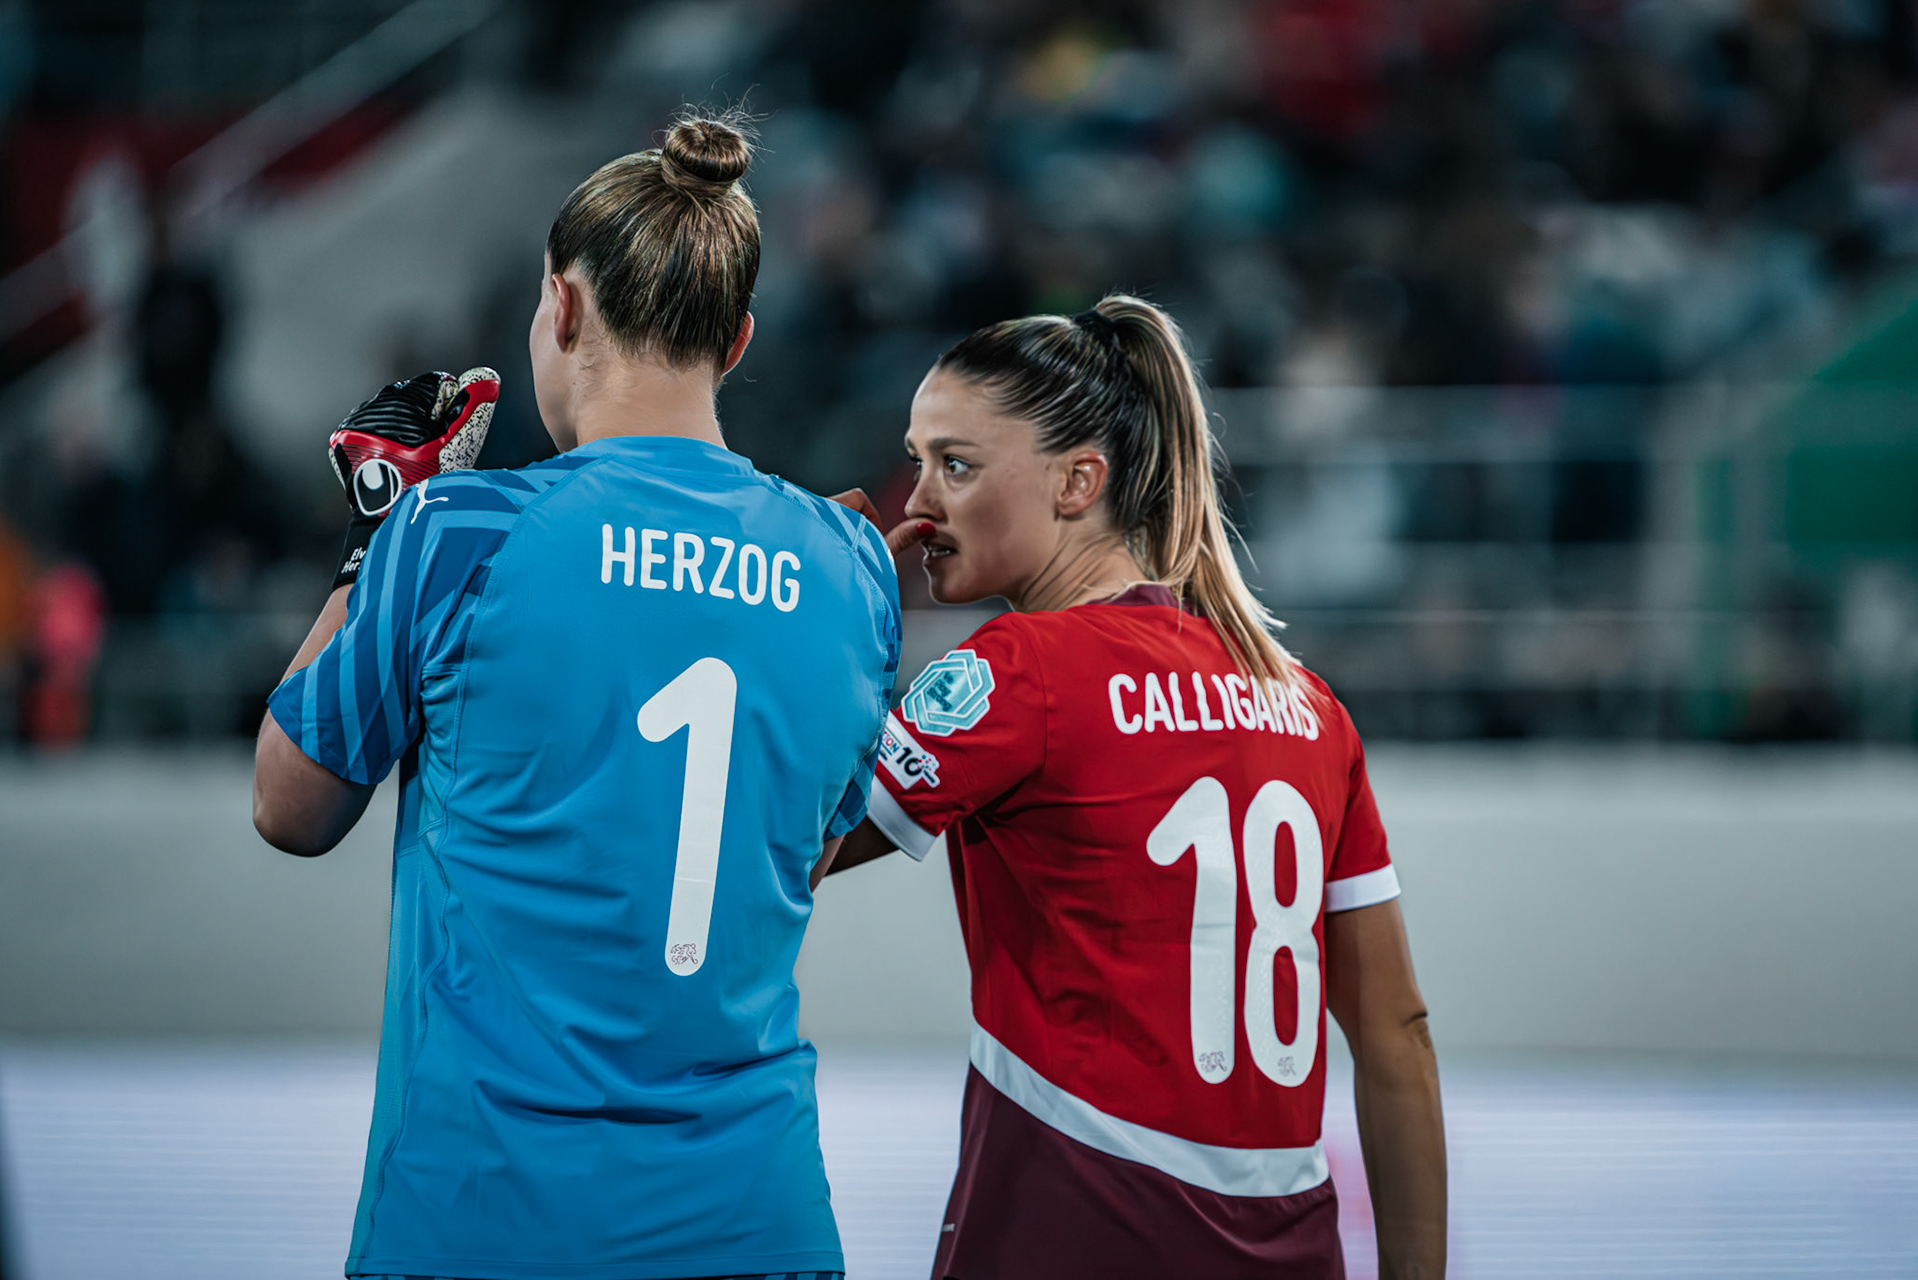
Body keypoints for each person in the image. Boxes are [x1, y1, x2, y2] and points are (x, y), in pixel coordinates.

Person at [252, 115, 899, 1280]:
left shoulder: (458, 531)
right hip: (756, 1220)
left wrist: (374, 538)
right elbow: (809, 843)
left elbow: (289, 806)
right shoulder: (852, 568)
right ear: (737, 340)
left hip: (483, 1217)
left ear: (560, 305)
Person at [827, 295, 1446, 1279]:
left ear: (1079, 481)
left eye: (957, 463)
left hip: (1069, 1235)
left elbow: (787, 846)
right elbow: (1396, 1029)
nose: (918, 502)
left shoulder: (1019, 669)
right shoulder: (1307, 703)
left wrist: (830, 628)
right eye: (920, 457)